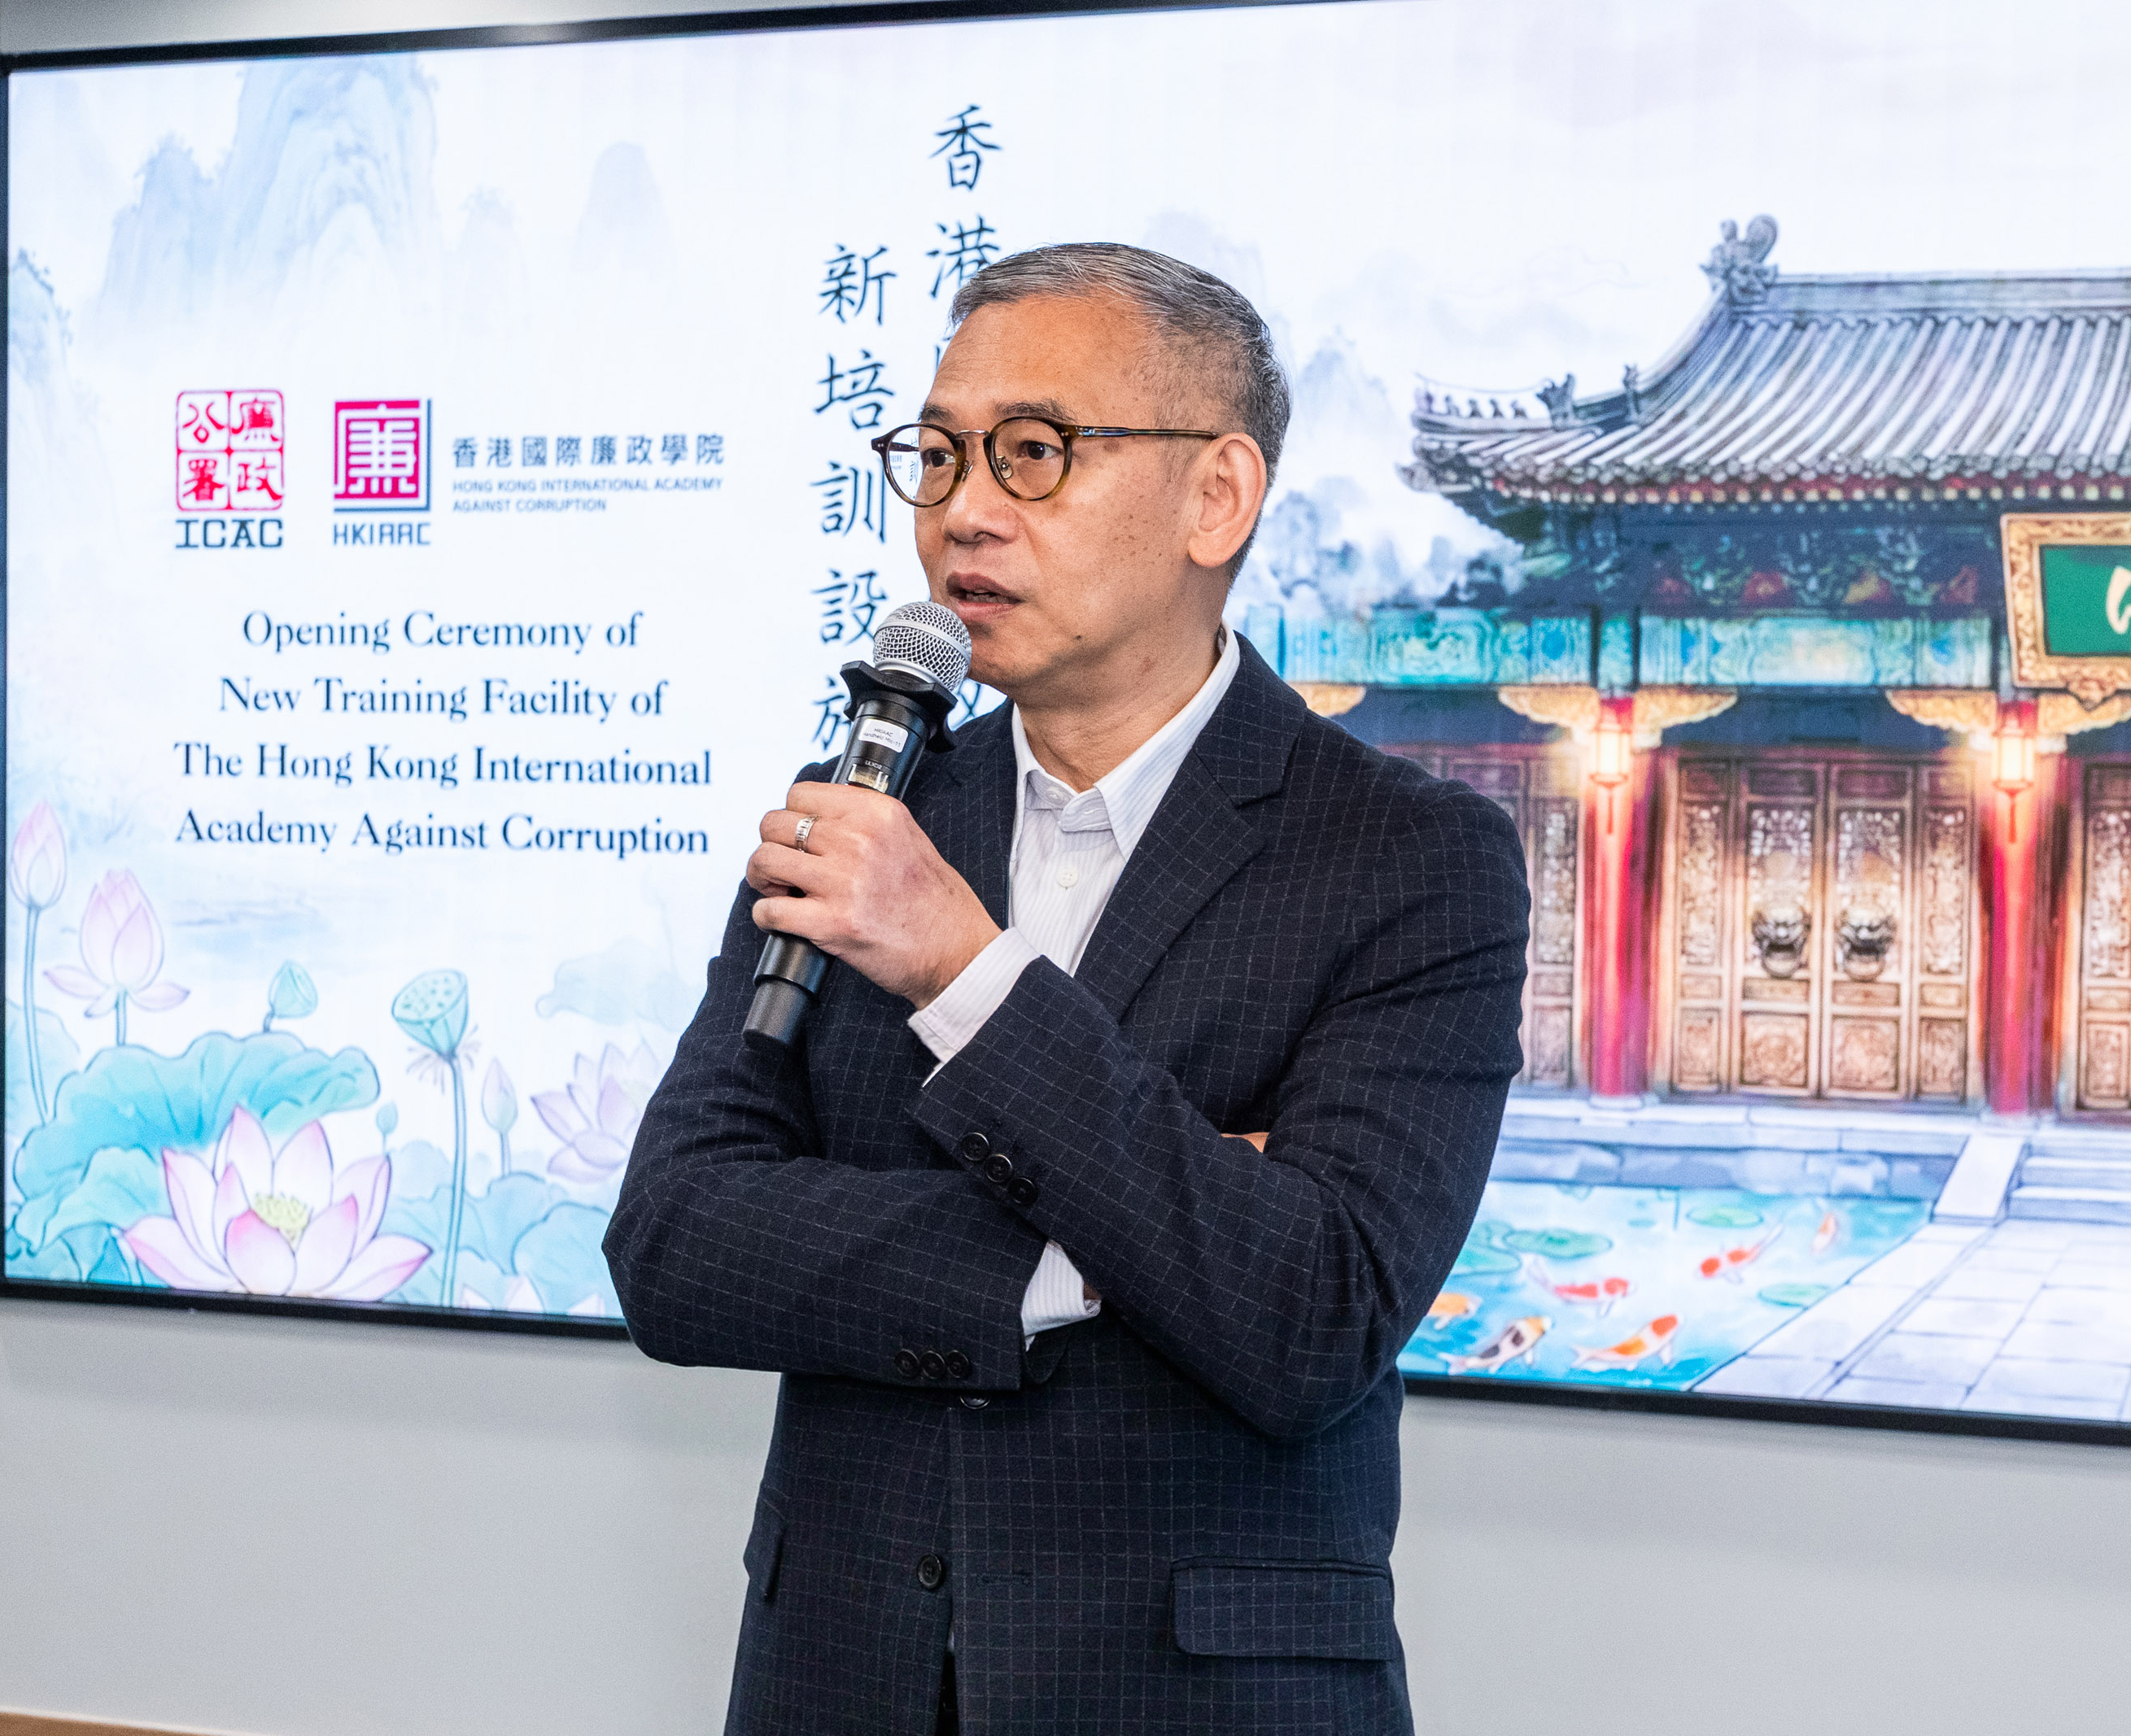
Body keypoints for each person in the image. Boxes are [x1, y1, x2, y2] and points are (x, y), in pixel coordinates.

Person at [607, 242, 1529, 1734]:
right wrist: (1091, 1255)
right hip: (840, 1683)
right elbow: (675, 1242)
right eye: (938, 456)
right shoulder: (867, 810)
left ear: (1215, 496)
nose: (963, 512)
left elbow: (1312, 1312)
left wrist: (963, 971)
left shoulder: (1409, 859)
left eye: (1033, 453)